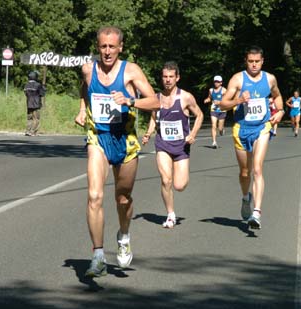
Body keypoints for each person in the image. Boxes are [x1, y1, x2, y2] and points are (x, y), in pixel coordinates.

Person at [74, 26, 160, 278]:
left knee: (122, 199)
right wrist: (82, 109)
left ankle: (123, 235)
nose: (107, 51)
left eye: (112, 46)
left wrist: (130, 101)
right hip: (98, 138)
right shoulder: (89, 69)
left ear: (120, 47)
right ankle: (98, 256)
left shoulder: (131, 71)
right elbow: (84, 88)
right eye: (103, 46)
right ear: (97, 47)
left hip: (126, 141)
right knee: (94, 196)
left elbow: (155, 101)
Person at [218, 46, 285, 230]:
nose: (254, 65)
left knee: (257, 169)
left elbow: (278, 96)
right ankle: (246, 197)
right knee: (245, 172)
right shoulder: (238, 79)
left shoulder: (270, 78)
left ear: (262, 61)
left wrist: (280, 111)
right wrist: (238, 101)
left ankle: (257, 212)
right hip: (241, 129)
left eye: (257, 61)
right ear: (246, 61)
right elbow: (222, 104)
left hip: (262, 127)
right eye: (250, 61)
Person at [141, 61, 204, 229]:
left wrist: (193, 134)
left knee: (179, 185)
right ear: (162, 78)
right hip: (162, 144)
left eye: (171, 77)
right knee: (166, 180)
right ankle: (170, 214)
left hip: (181, 146)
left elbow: (199, 115)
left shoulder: (186, 97)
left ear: (177, 78)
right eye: (165, 77)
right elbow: (154, 118)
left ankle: (179, 182)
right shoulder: (156, 98)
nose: (168, 80)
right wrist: (148, 133)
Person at [203, 75, 226, 149]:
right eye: (215, 81)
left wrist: (219, 102)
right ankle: (214, 142)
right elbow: (209, 98)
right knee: (213, 125)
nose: (216, 83)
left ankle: (222, 130)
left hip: (222, 110)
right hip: (213, 110)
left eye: (218, 82)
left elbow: (227, 100)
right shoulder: (211, 90)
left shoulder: (224, 90)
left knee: (220, 128)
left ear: (221, 83)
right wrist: (207, 100)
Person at [24, 70, 46, 136]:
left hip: (29, 104)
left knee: (29, 118)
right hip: (36, 104)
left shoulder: (26, 85)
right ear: (35, 77)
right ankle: (33, 132)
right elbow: (42, 94)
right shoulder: (38, 85)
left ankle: (28, 131)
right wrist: (43, 88)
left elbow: (25, 93)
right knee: (36, 119)